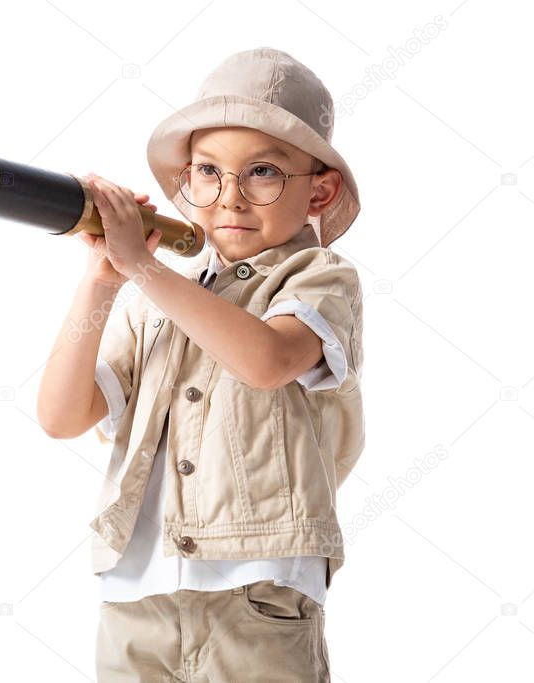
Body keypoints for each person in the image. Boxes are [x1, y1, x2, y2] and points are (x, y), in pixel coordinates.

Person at [37, 47, 364, 682]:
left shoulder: (320, 277)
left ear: (320, 190)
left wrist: (144, 266)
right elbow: (60, 415)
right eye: (208, 172)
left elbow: (266, 360)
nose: (229, 198)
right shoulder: (152, 299)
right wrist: (103, 280)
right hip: (135, 593)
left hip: (258, 589)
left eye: (263, 172)